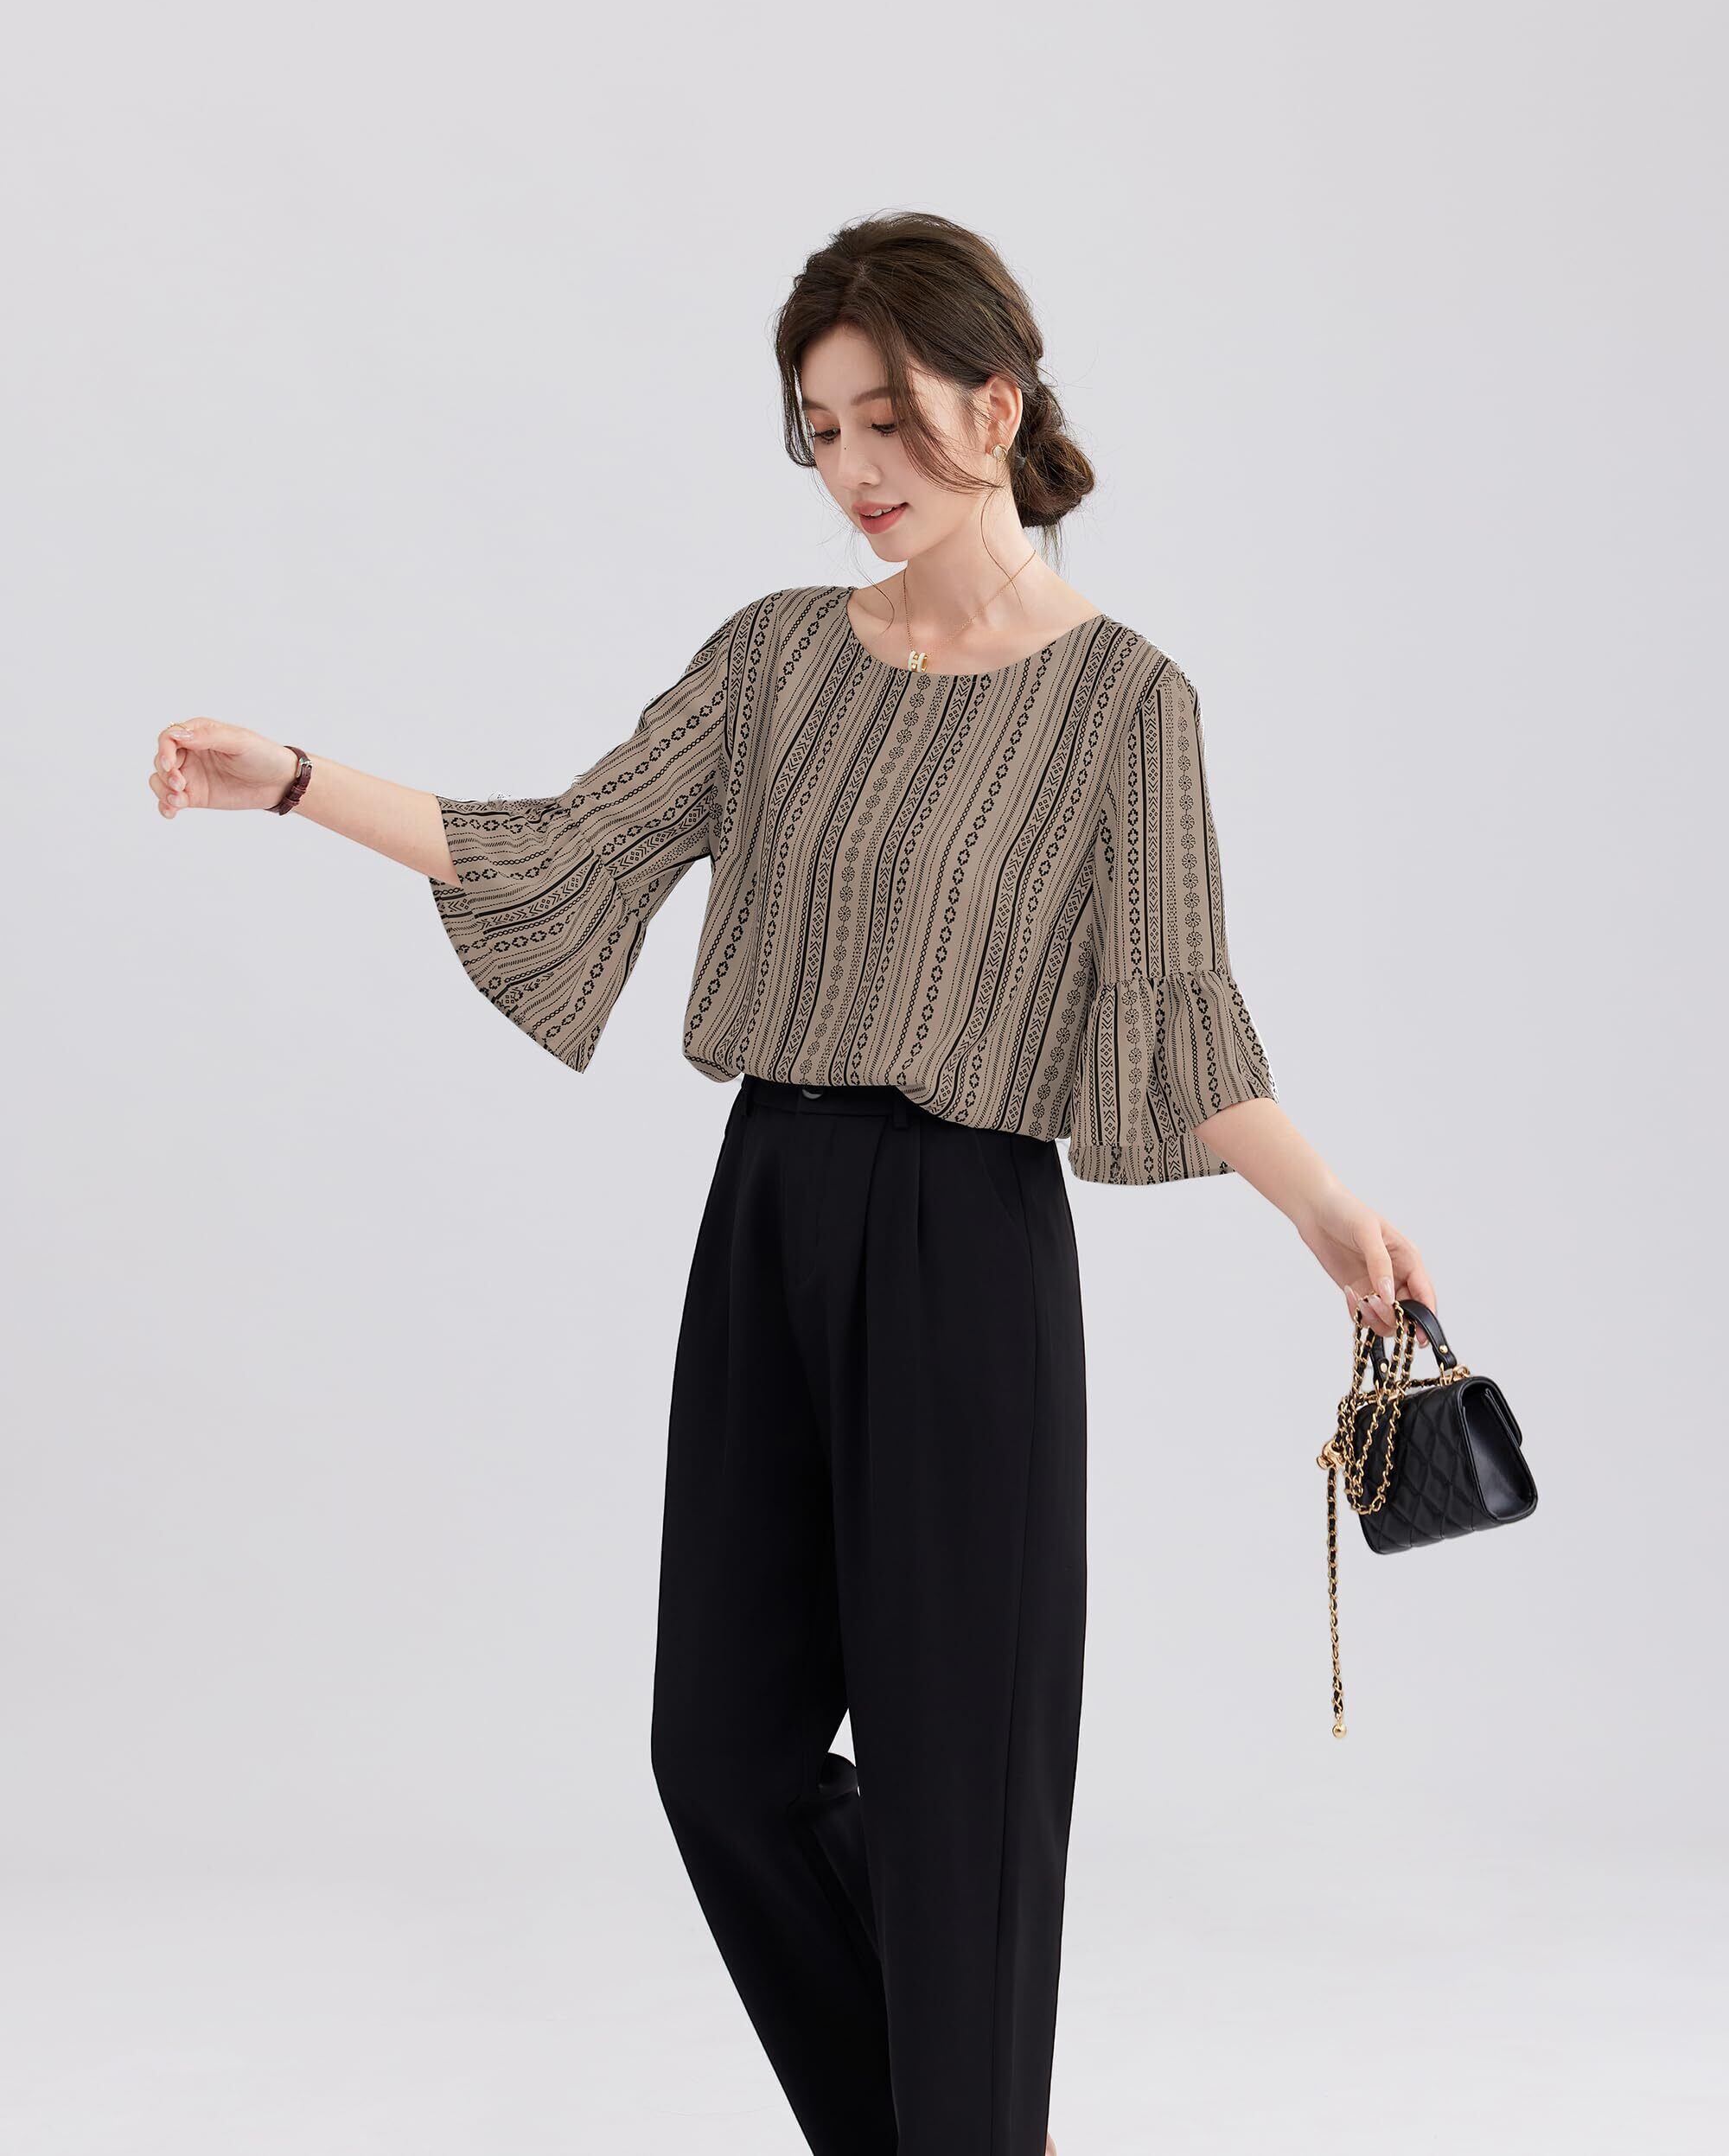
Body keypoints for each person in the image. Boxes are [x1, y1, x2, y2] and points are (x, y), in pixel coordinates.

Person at [144, 208, 1435, 2156]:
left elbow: (1179, 1007)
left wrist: (1325, 1210)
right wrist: (300, 780)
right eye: (820, 432)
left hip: (966, 1243)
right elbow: (563, 847)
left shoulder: (1124, 704)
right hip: (768, 1211)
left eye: (885, 421)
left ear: (996, 406)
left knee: (958, 1799)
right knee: (723, 1759)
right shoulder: (772, 660)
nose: (853, 470)